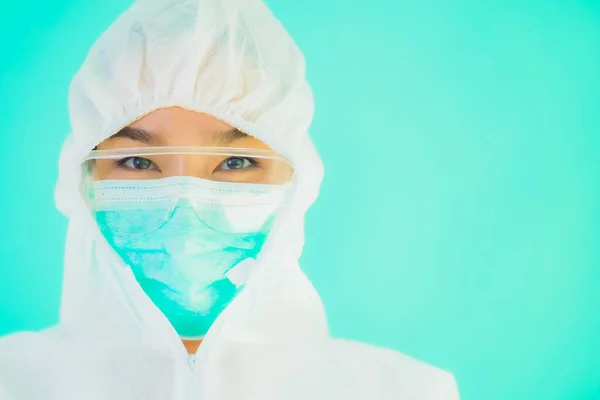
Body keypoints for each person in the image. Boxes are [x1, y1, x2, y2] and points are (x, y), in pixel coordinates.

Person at [0, 0, 459, 398]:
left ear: (298, 182)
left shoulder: (406, 392)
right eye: (139, 162)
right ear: (81, 181)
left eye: (236, 162)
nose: (185, 205)